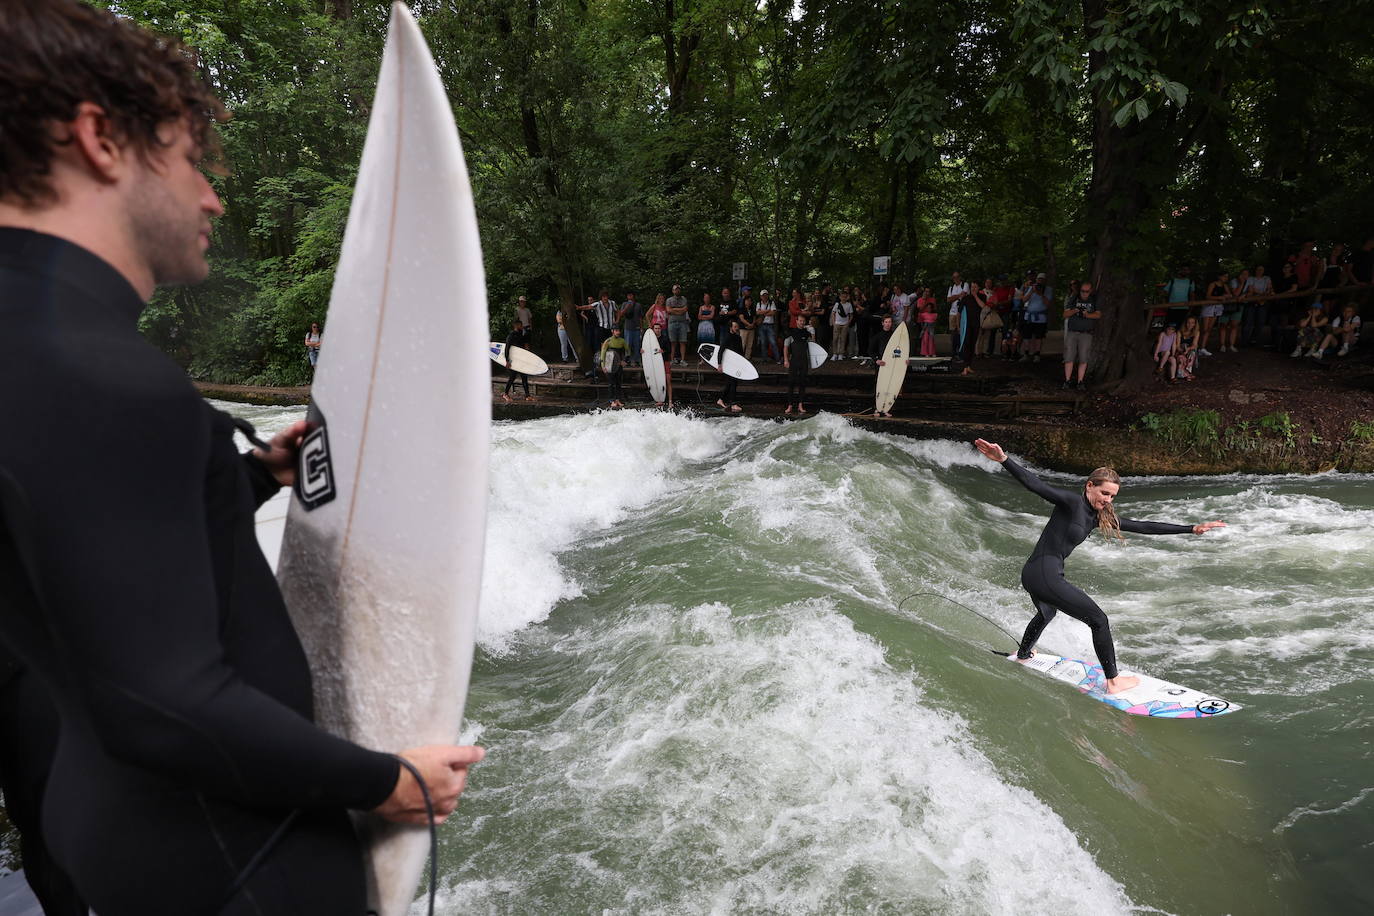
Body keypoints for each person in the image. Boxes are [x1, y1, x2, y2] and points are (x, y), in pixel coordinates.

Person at [0, 4, 483, 913]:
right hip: (238, 860)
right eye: (191, 161)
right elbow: (164, 704)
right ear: (101, 139)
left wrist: (248, 477)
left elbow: (74, 567)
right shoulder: (92, 371)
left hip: (113, 827)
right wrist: (385, 779)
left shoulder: (30, 343)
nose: (213, 197)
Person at [972, 439, 1226, 694]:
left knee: (1047, 613)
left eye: (1112, 496)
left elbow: (1143, 526)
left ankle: (1024, 653)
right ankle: (1113, 682)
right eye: (1104, 493)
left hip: (1037, 573)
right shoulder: (1072, 503)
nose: (1107, 500)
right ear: (1089, 486)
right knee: (1099, 620)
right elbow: (1036, 485)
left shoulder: (1096, 517)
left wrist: (1191, 529)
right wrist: (1004, 460)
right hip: (1043, 573)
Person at [1061, 281, 1101, 390]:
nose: (1084, 293)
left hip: (1086, 334)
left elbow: (1098, 315)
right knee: (1069, 357)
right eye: (1082, 291)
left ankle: (1080, 381)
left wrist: (1087, 314)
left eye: (1087, 291)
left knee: (1083, 358)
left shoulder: (1094, 300)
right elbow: (1065, 314)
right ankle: (1067, 381)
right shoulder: (1074, 298)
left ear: (1091, 291)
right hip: (1072, 332)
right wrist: (1075, 310)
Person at [782, 315, 811, 415]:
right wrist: (786, 360)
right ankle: (790, 405)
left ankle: (800, 405)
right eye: (800, 321)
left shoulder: (807, 334)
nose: (802, 322)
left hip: (804, 361)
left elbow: (812, 347)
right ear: (796, 321)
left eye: (804, 321)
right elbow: (785, 347)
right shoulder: (791, 333)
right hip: (793, 361)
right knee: (791, 382)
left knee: (802, 383)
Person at [716, 320, 745, 412]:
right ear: (731, 328)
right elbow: (720, 351)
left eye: (737, 326)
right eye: (735, 326)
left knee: (730, 383)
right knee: (733, 383)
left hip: (736, 364)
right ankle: (733, 404)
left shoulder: (738, 338)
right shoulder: (727, 338)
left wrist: (743, 363)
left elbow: (741, 352)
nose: (737, 328)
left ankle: (720, 399)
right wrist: (719, 364)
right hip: (728, 364)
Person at [502, 319, 533, 403]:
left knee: (524, 377)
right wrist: (507, 361)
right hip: (513, 360)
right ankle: (505, 394)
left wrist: (526, 346)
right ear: (516, 326)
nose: (521, 326)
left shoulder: (521, 335)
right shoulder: (511, 335)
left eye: (521, 325)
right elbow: (507, 349)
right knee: (512, 377)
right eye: (520, 325)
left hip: (520, 360)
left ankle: (527, 396)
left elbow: (524, 346)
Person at [599, 326, 630, 407]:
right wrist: (603, 365)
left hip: (618, 365)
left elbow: (628, 351)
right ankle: (611, 400)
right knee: (611, 383)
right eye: (616, 330)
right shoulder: (608, 341)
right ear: (612, 331)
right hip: (609, 365)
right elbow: (603, 353)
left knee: (618, 383)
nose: (618, 332)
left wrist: (625, 361)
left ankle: (618, 400)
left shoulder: (622, 341)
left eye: (619, 330)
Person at [616, 291, 644, 367]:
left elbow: (640, 317)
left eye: (631, 295)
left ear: (633, 296)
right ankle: (627, 360)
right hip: (628, 328)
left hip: (637, 328)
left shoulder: (638, 305)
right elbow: (621, 314)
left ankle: (637, 360)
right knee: (627, 345)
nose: (629, 297)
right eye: (628, 295)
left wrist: (641, 328)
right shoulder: (625, 304)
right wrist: (626, 307)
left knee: (637, 345)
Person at [666, 283, 691, 365]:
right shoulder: (669, 300)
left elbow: (685, 309)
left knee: (682, 342)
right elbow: (668, 310)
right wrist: (680, 310)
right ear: (673, 291)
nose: (677, 290)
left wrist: (674, 310)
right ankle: (672, 360)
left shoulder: (684, 299)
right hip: (672, 323)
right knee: (673, 342)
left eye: (678, 289)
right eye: (675, 289)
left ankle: (683, 360)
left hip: (682, 323)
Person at [756, 289, 780, 362]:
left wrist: (762, 312)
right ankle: (764, 359)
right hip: (761, 325)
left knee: (773, 342)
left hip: (770, 325)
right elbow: (757, 313)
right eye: (763, 295)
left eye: (766, 295)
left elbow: (773, 313)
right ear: (760, 296)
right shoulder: (758, 303)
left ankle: (777, 359)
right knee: (763, 342)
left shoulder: (771, 303)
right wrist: (767, 311)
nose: (765, 296)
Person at [829, 289, 854, 360]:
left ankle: (841, 354)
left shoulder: (849, 305)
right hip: (837, 323)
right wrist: (834, 322)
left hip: (845, 324)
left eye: (845, 297)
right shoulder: (837, 304)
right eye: (842, 297)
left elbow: (851, 315)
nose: (843, 298)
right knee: (835, 339)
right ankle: (834, 353)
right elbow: (833, 313)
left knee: (843, 339)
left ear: (847, 297)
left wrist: (848, 323)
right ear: (840, 297)